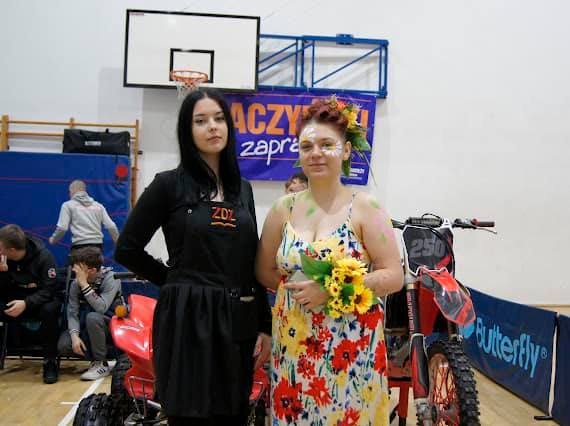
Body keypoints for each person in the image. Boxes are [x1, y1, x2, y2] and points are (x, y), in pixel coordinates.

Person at [114, 88, 271, 425]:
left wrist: (265, 325)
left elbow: (252, 262)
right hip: (186, 317)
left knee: (233, 413)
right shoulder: (168, 185)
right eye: (201, 121)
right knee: (188, 414)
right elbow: (127, 248)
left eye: (219, 118)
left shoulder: (242, 189)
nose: (212, 126)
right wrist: (172, 280)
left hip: (237, 319)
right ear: (187, 131)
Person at [256, 96, 404, 425]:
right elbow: (264, 270)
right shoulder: (282, 209)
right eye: (306, 146)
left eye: (327, 144)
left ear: (346, 150)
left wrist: (332, 290)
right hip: (294, 350)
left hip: (351, 352)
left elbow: (394, 275)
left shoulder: (366, 208)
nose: (316, 153)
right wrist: (296, 295)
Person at [0, 224, 61, 384]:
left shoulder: (44, 257)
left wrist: (26, 303)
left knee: (50, 309)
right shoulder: (4, 259)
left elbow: (50, 289)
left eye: (1, 247)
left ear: (12, 249)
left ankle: (50, 361)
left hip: (39, 301)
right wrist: (3, 273)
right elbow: (4, 291)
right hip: (15, 299)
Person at [57, 246, 121, 380]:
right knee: (65, 345)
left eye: (79, 268)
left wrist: (84, 285)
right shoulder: (76, 284)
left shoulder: (111, 278)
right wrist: (74, 336)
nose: (74, 270)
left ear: (92, 270)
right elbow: (72, 313)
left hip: (111, 326)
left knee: (93, 317)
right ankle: (95, 359)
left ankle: (100, 363)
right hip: (87, 326)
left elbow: (101, 308)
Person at [49, 180, 119, 253]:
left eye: (69, 192)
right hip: (97, 248)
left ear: (72, 191)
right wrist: (117, 243)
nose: (69, 194)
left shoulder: (68, 205)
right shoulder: (99, 206)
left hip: (79, 247)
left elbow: (62, 228)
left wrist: (53, 239)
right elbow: (111, 226)